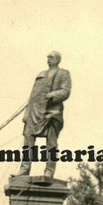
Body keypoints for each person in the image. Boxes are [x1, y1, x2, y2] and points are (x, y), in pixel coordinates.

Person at [18, 50, 72, 178]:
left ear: (58, 59)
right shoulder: (41, 74)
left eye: (51, 57)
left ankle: (49, 171)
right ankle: (24, 169)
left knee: (51, 143)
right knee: (28, 139)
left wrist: (52, 95)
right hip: (34, 111)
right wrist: (26, 113)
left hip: (52, 112)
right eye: (47, 57)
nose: (48, 59)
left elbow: (66, 91)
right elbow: (32, 96)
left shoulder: (63, 73)